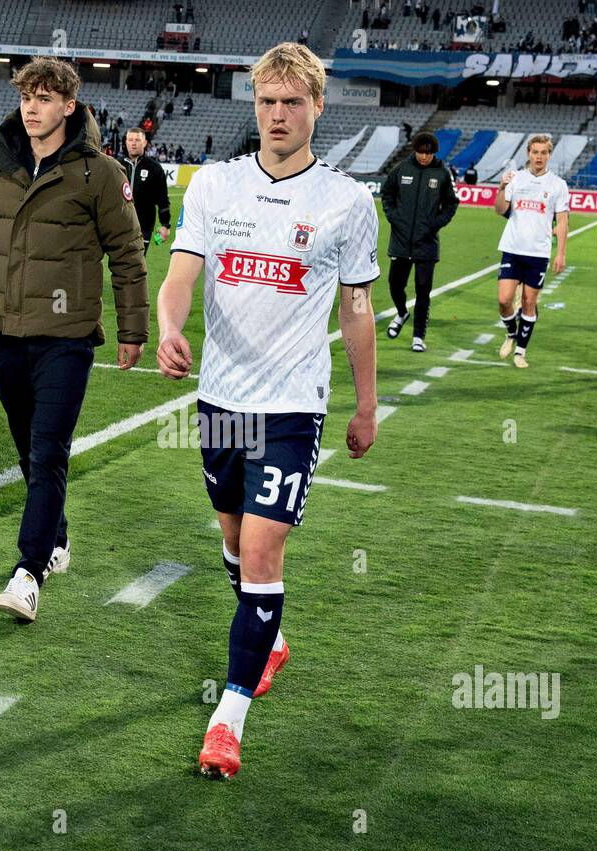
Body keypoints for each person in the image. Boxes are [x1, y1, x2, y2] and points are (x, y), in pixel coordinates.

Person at [156, 42, 379, 780]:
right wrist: (168, 326)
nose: (278, 116)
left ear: (317, 106)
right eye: (267, 102)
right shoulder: (215, 186)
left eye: (292, 103)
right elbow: (181, 273)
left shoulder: (346, 202)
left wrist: (366, 405)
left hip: (291, 409)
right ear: (254, 107)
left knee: (260, 552)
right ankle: (267, 634)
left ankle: (229, 719)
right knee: (230, 535)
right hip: (221, 400)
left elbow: (355, 312)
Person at [0, 57, 148, 622]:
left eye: (46, 97)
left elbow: (128, 255)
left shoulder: (100, 174)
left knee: (48, 449)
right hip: (7, 332)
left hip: (67, 338)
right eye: (27, 95)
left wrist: (133, 329)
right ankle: (56, 537)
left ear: (69, 107)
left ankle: (28, 572)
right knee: (29, 448)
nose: (32, 106)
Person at [493, 134, 569, 369]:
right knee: (504, 300)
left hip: (538, 252)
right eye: (535, 152)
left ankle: (520, 352)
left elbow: (563, 221)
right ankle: (511, 334)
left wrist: (561, 253)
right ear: (528, 153)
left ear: (549, 155)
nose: (539, 157)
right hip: (512, 248)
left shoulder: (558, 185)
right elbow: (499, 210)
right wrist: (502, 187)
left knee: (528, 301)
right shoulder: (515, 178)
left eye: (543, 152)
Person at [380, 132, 459, 351]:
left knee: (423, 291)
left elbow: (452, 204)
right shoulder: (401, 169)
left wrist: (435, 224)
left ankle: (418, 337)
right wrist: (394, 218)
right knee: (395, 285)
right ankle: (402, 313)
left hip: (427, 243)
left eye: (429, 153)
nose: (424, 157)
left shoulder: (442, 174)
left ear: (434, 153)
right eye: (421, 152)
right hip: (401, 241)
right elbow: (387, 194)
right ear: (415, 151)